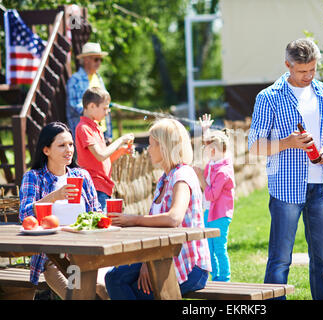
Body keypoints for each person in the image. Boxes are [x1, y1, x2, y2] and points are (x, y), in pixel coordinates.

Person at [248, 38, 323, 300]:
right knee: (280, 260)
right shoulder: (268, 97)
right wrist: (288, 142)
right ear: (288, 65)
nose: (309, 76)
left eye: (313, 70)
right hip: (286, 188)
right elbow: (254, 146)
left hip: (321, 186)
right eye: (302, 71)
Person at [104, 118, 211, 299]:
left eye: (152, 144)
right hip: (164, 258)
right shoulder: (165, 178)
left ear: (165, 147)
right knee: (114, 277)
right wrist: (147, 260)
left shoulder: (182, 175)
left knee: (136, 291)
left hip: (190, 265)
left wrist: (133, 219)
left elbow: (173, 218)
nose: (148, 150)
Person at [19, 122, 109, 300]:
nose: (69, 150)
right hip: (53, 260)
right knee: (82, 295)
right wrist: (55, 196)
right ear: (46, 150)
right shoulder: (34, 177)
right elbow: (25, 214)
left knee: (107, 289)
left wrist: (102, 219)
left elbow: (96, 212)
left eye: (70, 144)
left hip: (86, 254)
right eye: (61, 145)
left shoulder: (81, 176)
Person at [75, 87, 134, 210]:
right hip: (95, 187)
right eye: (105, 108)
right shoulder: (84, 128)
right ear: (91, 106)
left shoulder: (96, 128)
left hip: (104, 186)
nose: (107, 112)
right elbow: (100, 155)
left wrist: (121, 151)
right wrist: (120, 140)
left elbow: (104, 160)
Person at [194, 113, 235, 282]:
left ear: (222, 151)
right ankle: (215, 276)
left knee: (218, 247)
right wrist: (206, 130)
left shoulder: (223, 171)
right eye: (207, 148)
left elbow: (211, 195)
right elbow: (208, 142)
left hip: (220, 214)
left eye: (212, 149)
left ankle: (224, 278)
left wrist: (201, 178)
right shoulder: (213, 161)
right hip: (209, 212)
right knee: (208, 247)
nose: (208, 150)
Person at [67, 42, 113, 143]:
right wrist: (94, 113)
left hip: (101, 131)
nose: (99, 62)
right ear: (86, 60)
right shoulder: (75, 79)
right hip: (86, 134)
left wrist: (109, 134)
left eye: (101, 59)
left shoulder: (98, 78)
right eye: (96, 59)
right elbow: (75, 105)